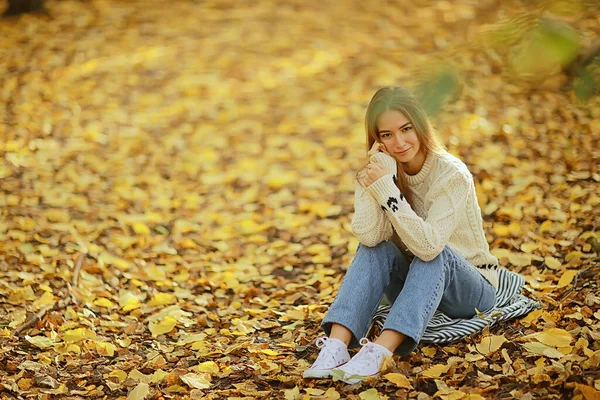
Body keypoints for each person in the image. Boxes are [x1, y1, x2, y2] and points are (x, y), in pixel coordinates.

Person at [302, 86, 499, 384]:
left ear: (419, 125)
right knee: (374, 248)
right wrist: (375, 178)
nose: (400, 142)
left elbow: (430, 247)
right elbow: (370, 237)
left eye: (406, 129)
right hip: (417, 283)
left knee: (433, 252)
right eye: (387, 135)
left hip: (470, 287)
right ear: (377, 140)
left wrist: (389, 191)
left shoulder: (452, 175)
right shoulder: (382, 171)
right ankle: (337, 346)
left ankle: (379, 353)